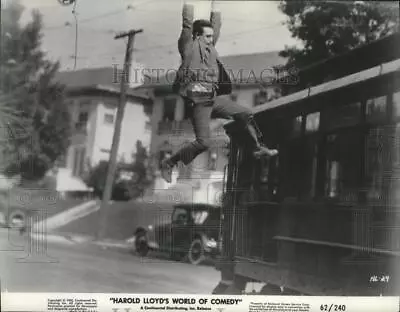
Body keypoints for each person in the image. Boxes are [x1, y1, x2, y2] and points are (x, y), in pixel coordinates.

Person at [161, 0, 278, 183]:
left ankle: (257, 147)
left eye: (211, 37)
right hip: (198, 103)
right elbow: (186, 24)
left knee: (246, 113)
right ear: (197, 36)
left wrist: (216, 6)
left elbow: (216, 25)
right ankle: (170, 162)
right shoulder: (188, 48)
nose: (211, 40)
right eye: (207, 37)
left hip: (213, 99)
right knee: (203, 143)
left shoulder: (210, 48)